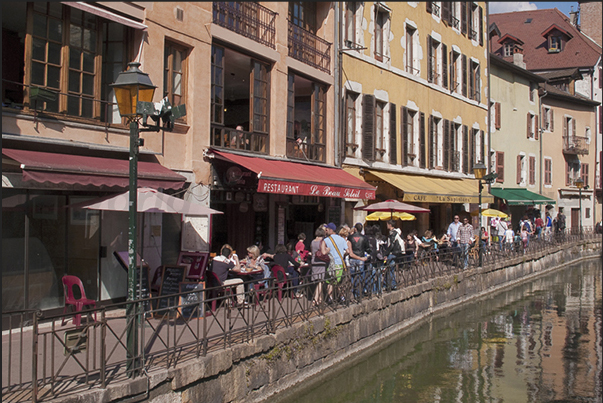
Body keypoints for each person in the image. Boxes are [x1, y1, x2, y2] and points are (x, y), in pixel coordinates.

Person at [321, 222, 350, 303]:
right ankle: (341, 297)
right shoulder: (342, 239)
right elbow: (348, 251)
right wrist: (343, 255)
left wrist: (328, 250)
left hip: (331, 264)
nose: (325, 231)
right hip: (340, 264)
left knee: (330, 282)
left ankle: (330, 298)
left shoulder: (326, 240)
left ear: (330, 230)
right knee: (339, 282)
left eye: (326, 230)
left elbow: (323, 252)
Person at [347, 222, 371, 299]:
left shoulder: (350, 237)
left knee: (353, 275)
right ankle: (358, 292)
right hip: (361, 257)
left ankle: (354, 291)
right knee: (360, 275)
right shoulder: (364, 238)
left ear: (355, 229)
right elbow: (367, 248)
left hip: (352, 258)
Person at [382, 220, 405, 290]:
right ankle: (390, 284)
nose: (386, 226)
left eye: (387, 224)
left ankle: (390, 284)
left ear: (390, 225)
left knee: (389, 268)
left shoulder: (393, 233)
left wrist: (385, 254)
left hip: (393, 252)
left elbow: (391, 245)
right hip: (398, 252)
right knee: (390, 268)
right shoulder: (398, 232)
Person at [310, 226, 327, 305]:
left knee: (317, 281)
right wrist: (328, 249)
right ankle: (315, 299)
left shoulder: (313, 242)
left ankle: (320, 299)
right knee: (321, 281)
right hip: (321, 262)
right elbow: (323, 252)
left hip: (314, 262)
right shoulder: (322, 242)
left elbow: (312, 251)